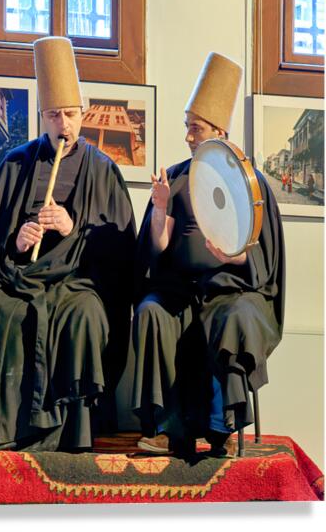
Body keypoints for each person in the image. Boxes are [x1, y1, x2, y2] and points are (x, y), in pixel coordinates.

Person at [0, 36, 136, 452]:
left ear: (82, 113)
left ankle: (71, 435)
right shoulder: (16, 162)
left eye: (71, 114)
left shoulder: (103, 168)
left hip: (77, 282)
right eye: (55, 115)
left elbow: (120, 249)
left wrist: (74, 227)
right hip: (19, 276)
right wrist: (18, 242)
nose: (65, 124)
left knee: (86, 315)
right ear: (43, 116)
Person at [132, 52, 284, 457]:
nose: (188, 137)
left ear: (219, 130)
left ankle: (221, 429)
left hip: (232, 291)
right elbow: (157, 250)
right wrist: (161, 207)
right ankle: (167, 428)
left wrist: (232, 257)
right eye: (186, 128)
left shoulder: (249, 184)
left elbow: (260, 262)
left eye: (195, 128)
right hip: (179, 290)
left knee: (234, 318)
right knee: (150, 311)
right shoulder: (177, 176)